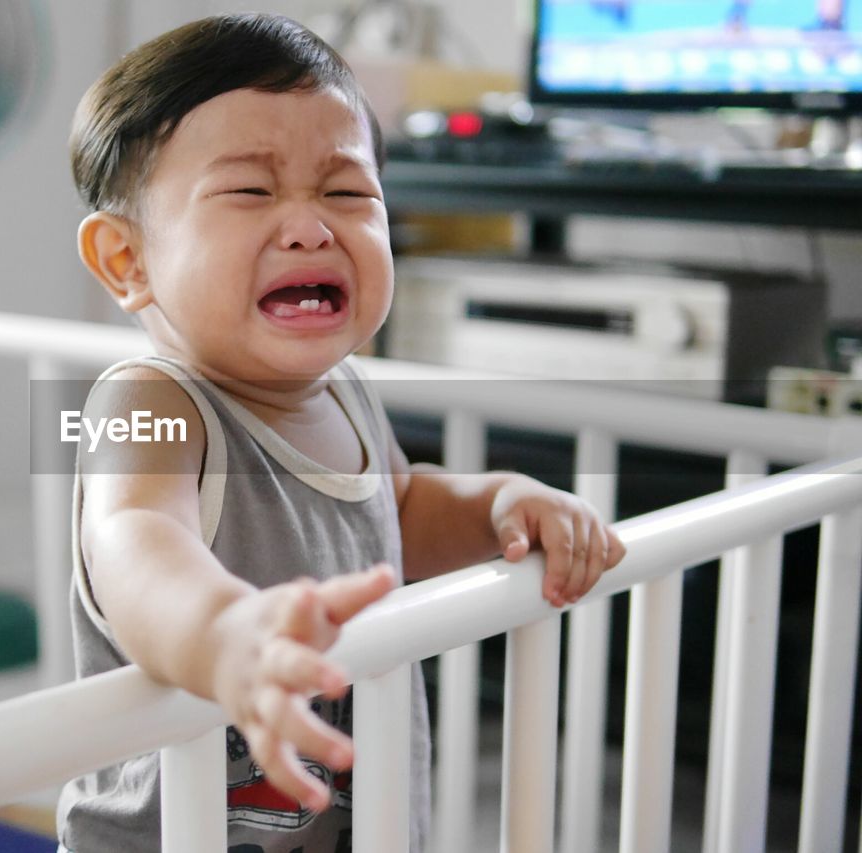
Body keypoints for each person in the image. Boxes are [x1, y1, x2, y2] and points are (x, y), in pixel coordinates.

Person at [56, 13, 626, 852]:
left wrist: (501, 500)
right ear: (127, 261)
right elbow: (134, 541)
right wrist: (223, 635)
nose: (310, 225)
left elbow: (400, 515)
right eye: (251, 190)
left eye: (347, 192)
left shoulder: (348, 395)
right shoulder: (148, 403)